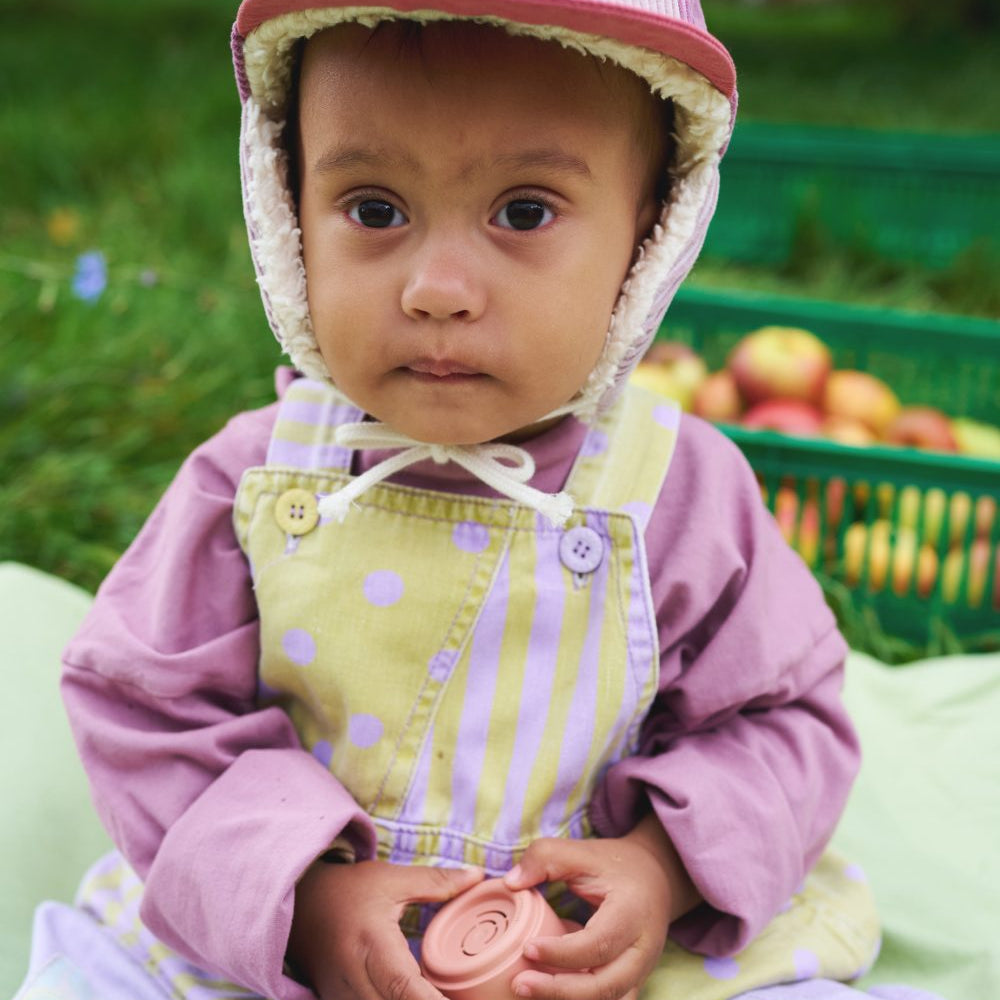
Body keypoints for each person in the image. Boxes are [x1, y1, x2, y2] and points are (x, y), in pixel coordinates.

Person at [18, 2, 891, 999]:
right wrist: (304, 900)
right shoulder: (253, 480)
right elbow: (150, 715)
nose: (436, 288)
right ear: (285, 211)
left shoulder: (679, 492)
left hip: (591, 956)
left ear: (649, 240)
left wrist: (661, 865)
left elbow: (782, 724)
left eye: (523, 212)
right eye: (374, 209)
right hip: (286, 941)